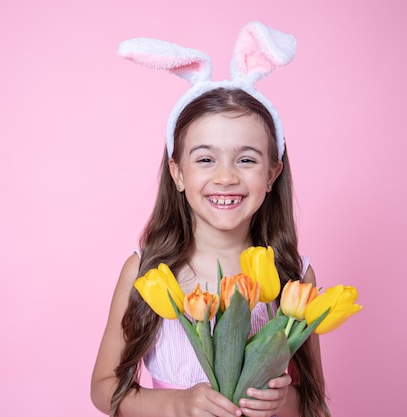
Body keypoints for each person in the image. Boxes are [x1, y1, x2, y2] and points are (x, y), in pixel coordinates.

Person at [91, 22, 330, 417]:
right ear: (178, 173)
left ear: (272, 173)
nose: (225, 176)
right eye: (205, 158)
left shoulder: (293, 276)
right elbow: (103, 389)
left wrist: (286, 402)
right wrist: (177, 403)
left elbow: (314, 403)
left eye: (247, 159)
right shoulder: (148, 271)